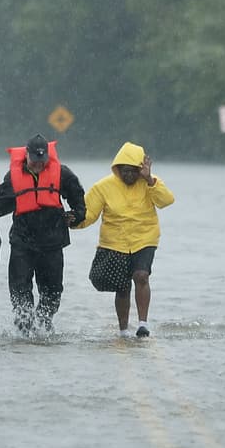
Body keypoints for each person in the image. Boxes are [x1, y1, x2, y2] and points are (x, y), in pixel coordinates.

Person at [0, 133, 85, 336]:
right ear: (27, 156)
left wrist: (76, 215)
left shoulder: (63, 174)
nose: (38, 165)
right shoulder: (13, 178)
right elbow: (0, 208)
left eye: (42, 162)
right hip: (22, 243)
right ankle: (24, 327)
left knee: (52, 291)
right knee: (19, 289)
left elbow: (78, 201)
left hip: (52, 243)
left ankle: (44, 323)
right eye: (34, 161)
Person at [76, 141, 175, 338]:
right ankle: (123, 330)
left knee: (141, 276)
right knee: (122, 287)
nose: (129, 175)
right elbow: (88, 215)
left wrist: (149, 180)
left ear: (140, 169)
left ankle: (143, 324)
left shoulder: (150, 182)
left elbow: (166, 201)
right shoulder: (103, 187)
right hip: (114, 242)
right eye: (124, 171)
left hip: (145, 238)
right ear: (117, 169)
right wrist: (72, 222)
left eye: (133, 171)